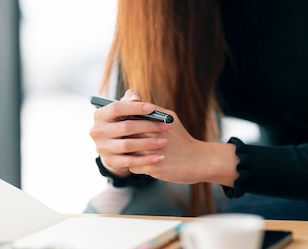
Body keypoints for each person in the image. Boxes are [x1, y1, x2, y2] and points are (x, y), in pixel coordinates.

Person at [85, 0, 308, 220]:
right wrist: (123, 151)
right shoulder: (158, 8)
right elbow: (143, 160)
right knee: (106, 216)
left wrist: (207, 158)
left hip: (286, 170)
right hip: (275, 155)